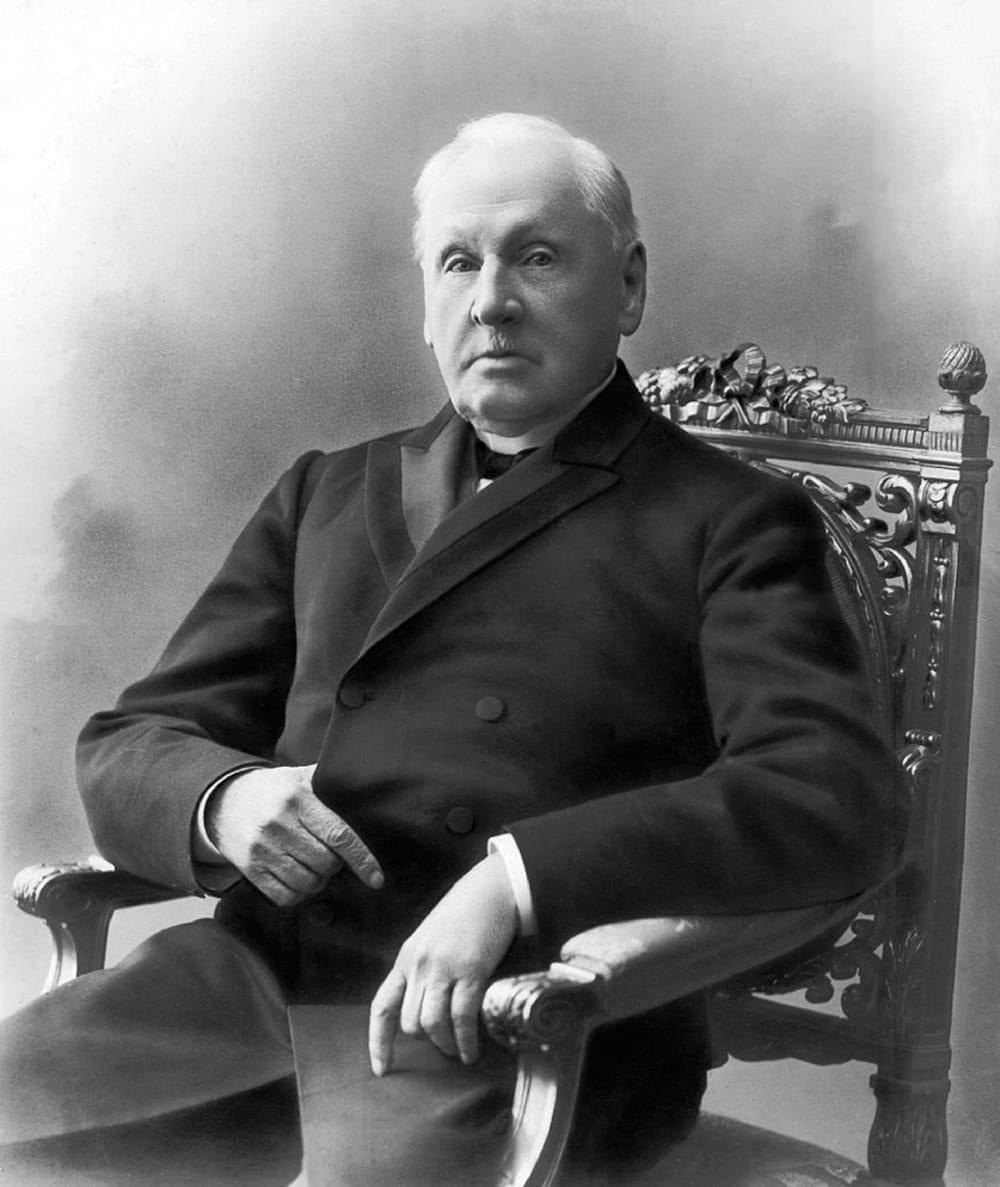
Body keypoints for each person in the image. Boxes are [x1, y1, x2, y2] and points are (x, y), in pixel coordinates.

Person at [0, 113, 900, 1186]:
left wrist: (517, 881)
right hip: (255, 981)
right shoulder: (327, 492)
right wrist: (223, 799)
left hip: (521, 1017)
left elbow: (829, 791)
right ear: (427, 295)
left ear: (628, 288)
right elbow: (131, 739)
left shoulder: (731, 519)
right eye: (460, 262)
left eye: (538, 257)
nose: (492, 301)